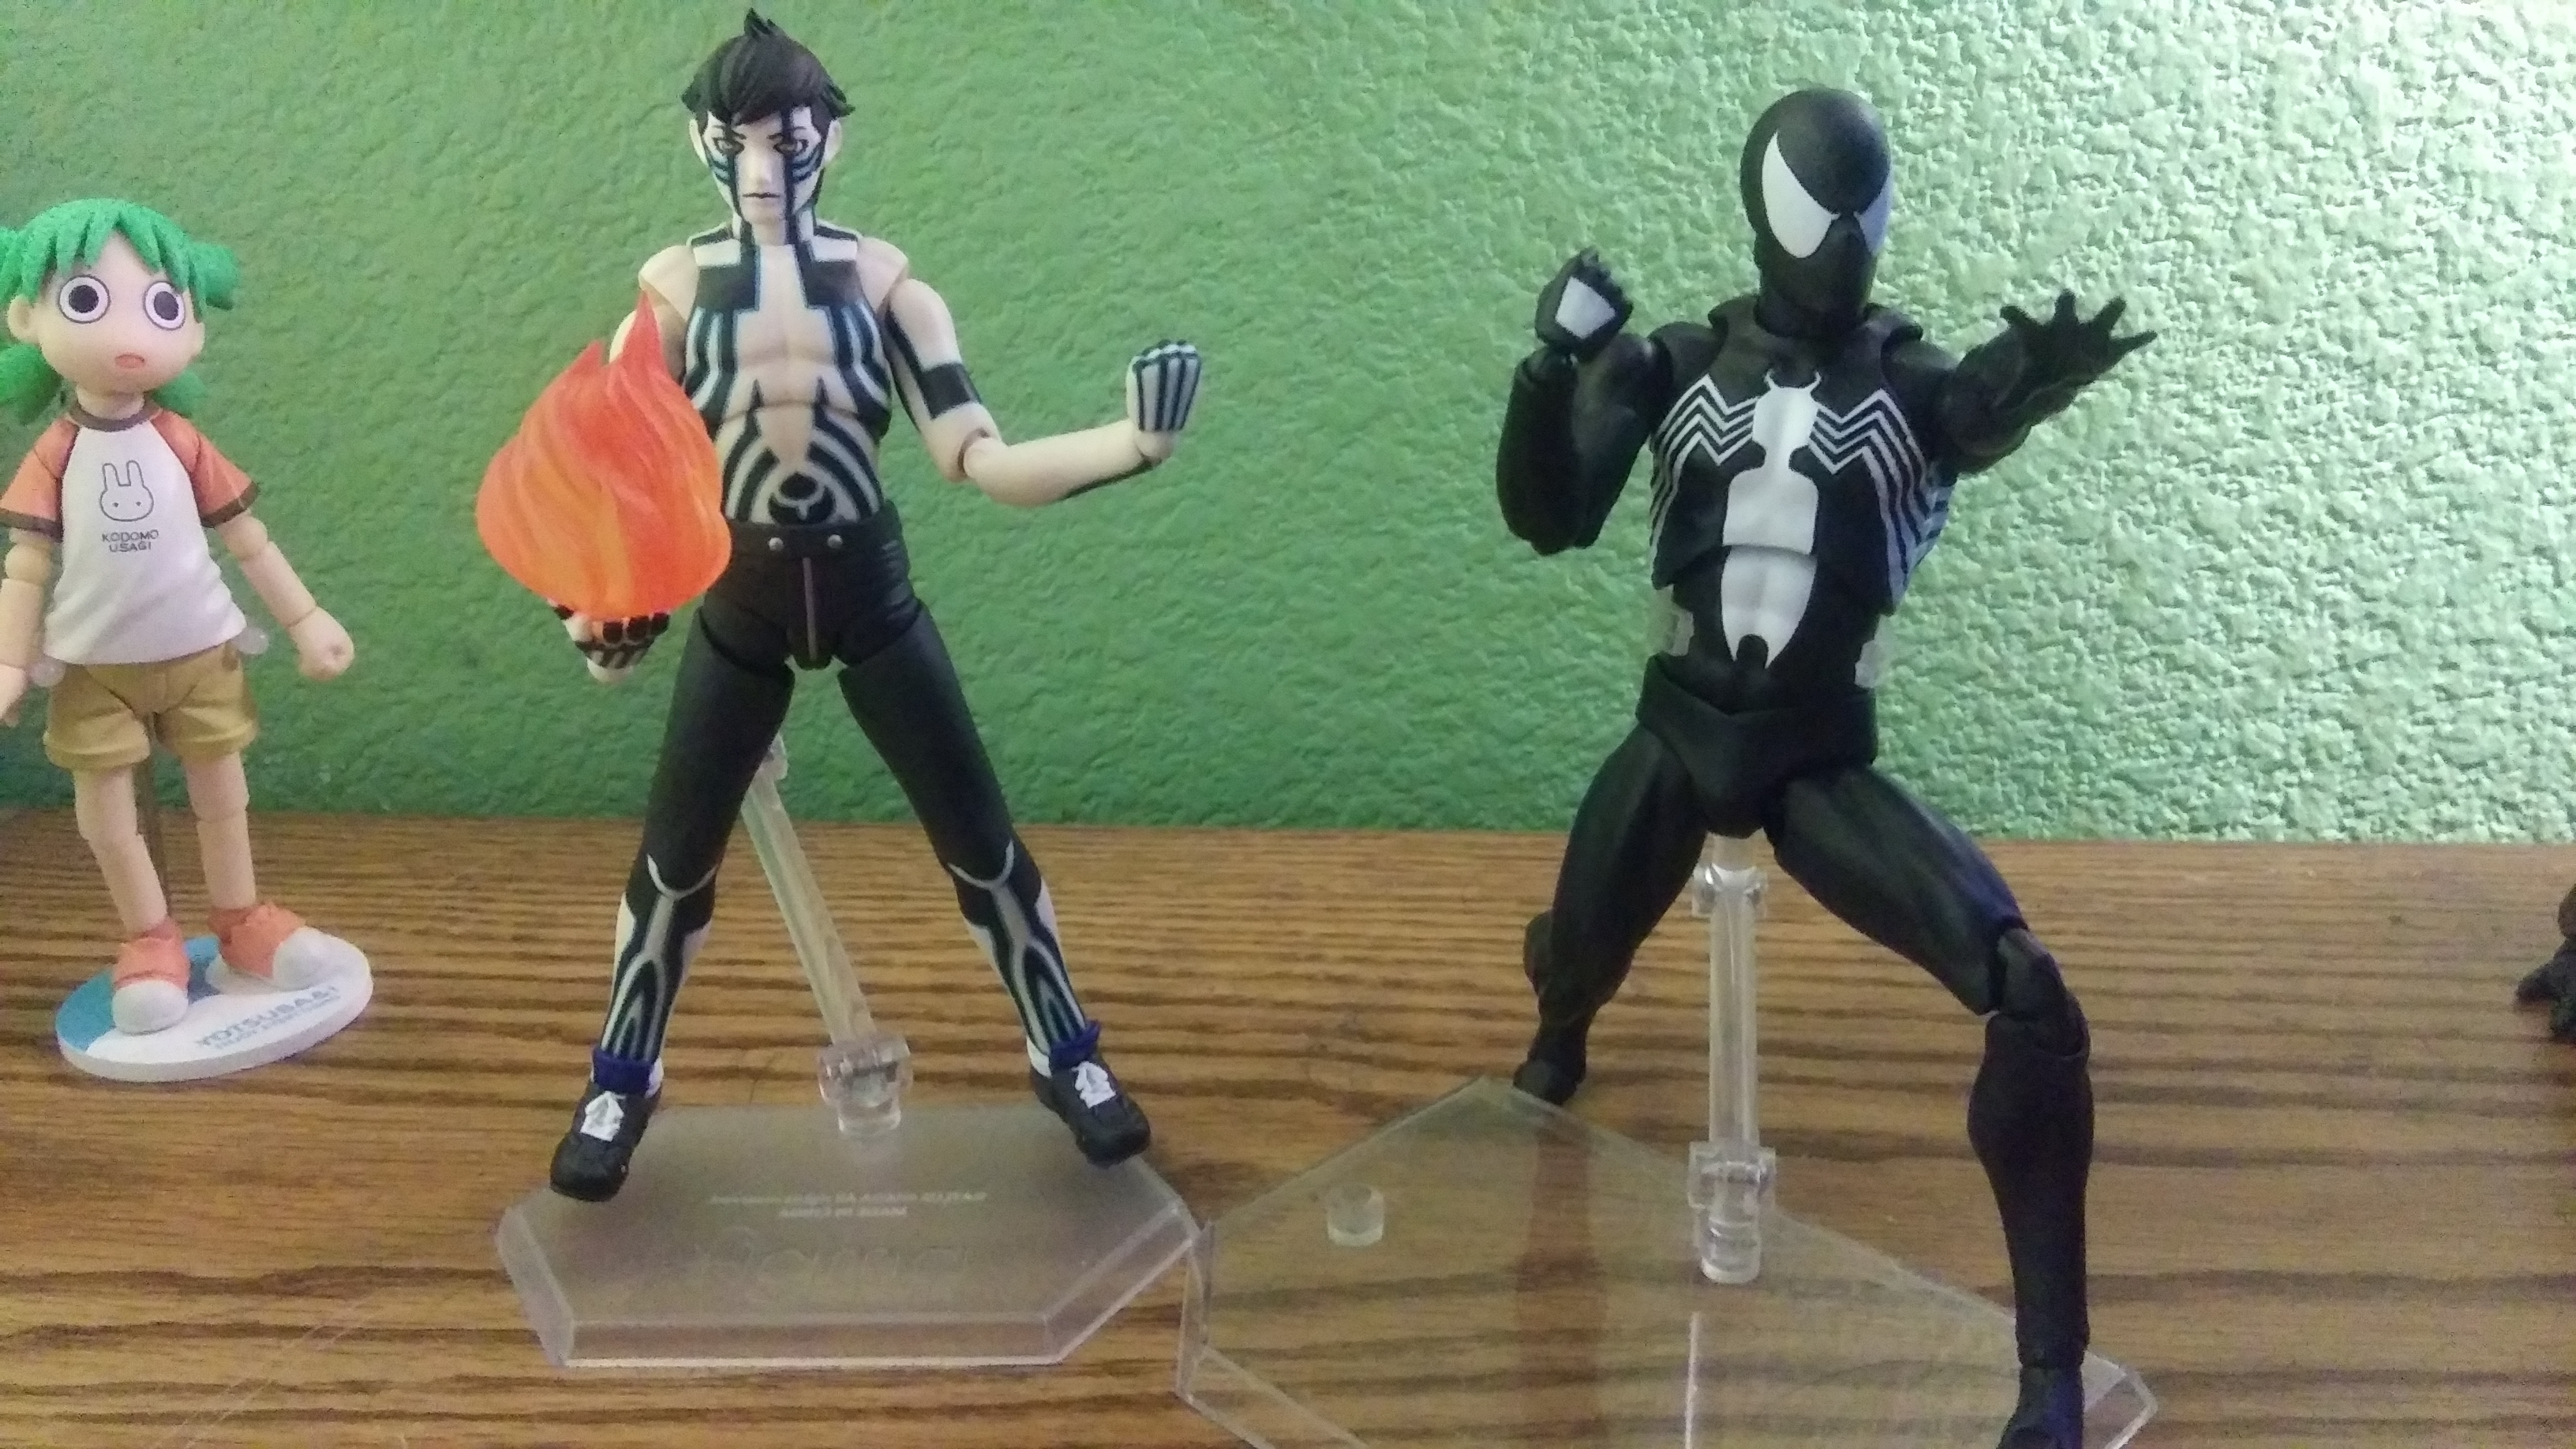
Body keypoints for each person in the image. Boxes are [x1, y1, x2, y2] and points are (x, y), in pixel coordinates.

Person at [1494, 90, 2151, 1449]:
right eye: (1819, 213)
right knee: (1575, 958)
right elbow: (1549, 515)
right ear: (1766, 214)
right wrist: (1548, 371)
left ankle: (2047, 1369)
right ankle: (1561, 1015)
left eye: (1858, 218)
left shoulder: (1910, 383)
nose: (1839, 244)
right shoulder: (1677, 362)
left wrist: (2030, 382)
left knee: (2028, 996)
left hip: (1816, 759)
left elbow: (1975, 411)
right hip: (1675, 733)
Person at [545, 11, 1204, 1202]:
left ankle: (1067, 1052)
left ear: (828, 142)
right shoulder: (671, 295)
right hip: (739, 599)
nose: (762, 170)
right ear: (701, 142)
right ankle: (621, 1077)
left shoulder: (887, 286)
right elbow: (613, 478)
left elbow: (979, 457)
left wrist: (1132, 445)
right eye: (736, 142)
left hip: (872, 594)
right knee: (674, 864)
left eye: (787, 141)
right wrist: (598, 617)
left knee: (981, 841)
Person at [0, 199, 361, 1036]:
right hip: (93, 666)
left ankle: (241, 921)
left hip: (203, 653)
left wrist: (306, 618)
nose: (131, 333)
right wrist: (11, 662)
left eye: (162, 305)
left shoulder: (183, 442)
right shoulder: (55, 454)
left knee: (222, 790)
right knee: (106, 814)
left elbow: (247, 537)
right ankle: (150, 939)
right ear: (25, 318)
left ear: (192, 329)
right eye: (87, 300)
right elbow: (26, 565)